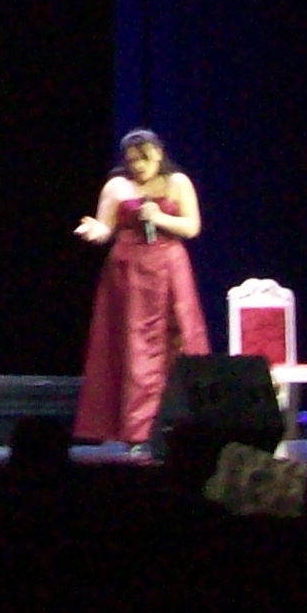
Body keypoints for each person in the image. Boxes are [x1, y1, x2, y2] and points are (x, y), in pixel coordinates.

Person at [72, 129, 209, 450]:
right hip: (129, 274)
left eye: (143, 159)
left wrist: (158, 217)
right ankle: (138, 430)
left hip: (169, 270)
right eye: (132, 160)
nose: (137, 166)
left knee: (178, 341)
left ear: (158, 154)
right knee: (135, 348)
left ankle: (185, 425)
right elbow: (106, 228)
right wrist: (95, 231)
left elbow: (192, 227)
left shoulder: (178, 182)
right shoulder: (117, 186)